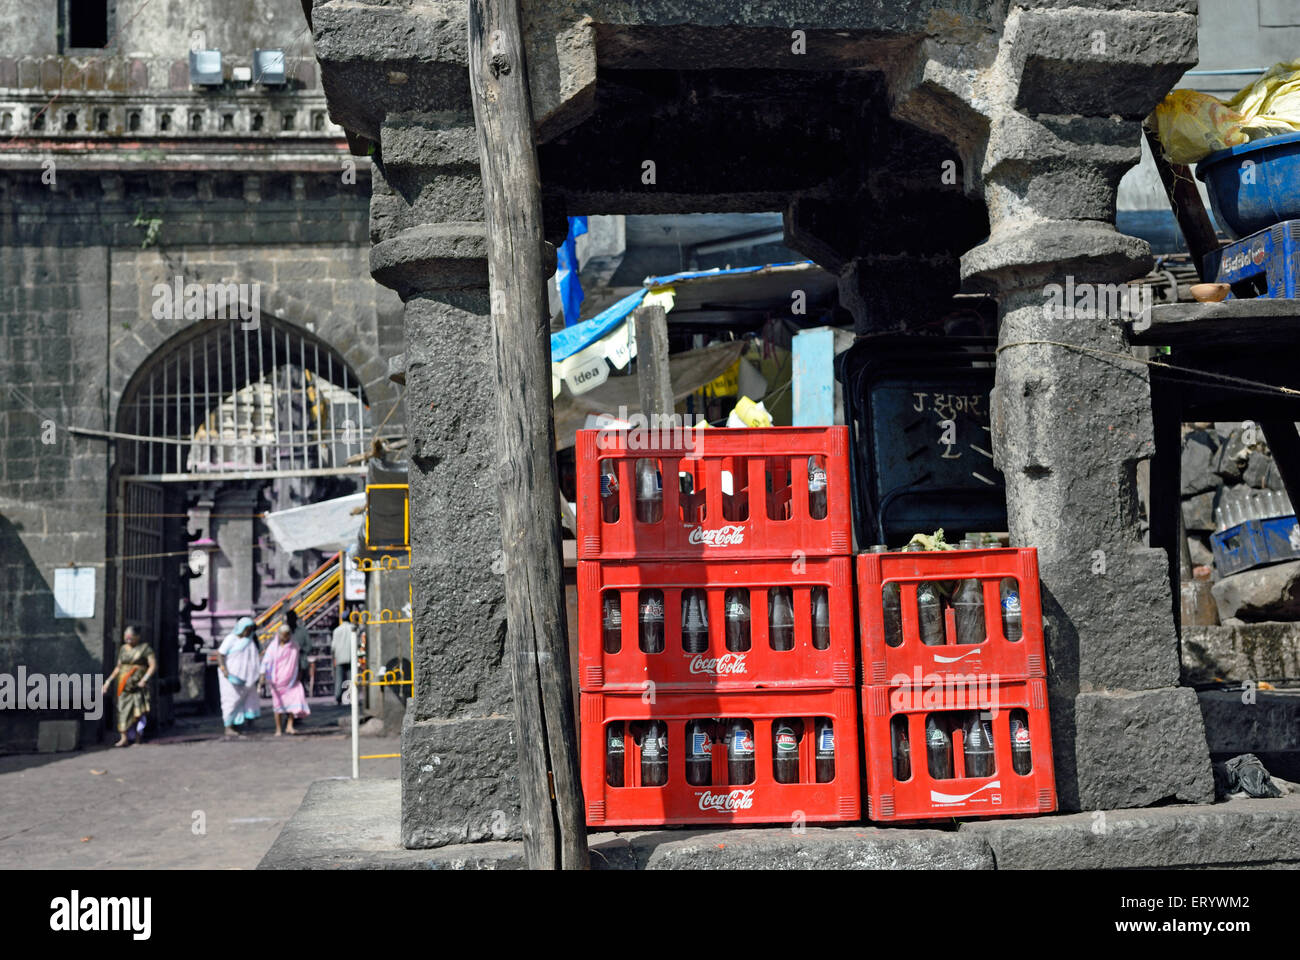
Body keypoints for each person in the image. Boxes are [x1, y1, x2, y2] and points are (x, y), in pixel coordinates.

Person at [101, 626, 156, 747]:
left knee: (138, 711)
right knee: (122, 710)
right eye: (126, 637)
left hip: (138, 685)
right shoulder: (123, 649)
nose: (128, 640)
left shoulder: (145, 649)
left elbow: (152, 666)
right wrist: (108, 682)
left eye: (131, 637)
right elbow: (118, 667)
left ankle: (137, 738)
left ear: (137, 637)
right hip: (123, 684)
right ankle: (124, 738)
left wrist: (144, 679)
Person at [216, 616, 262, 737]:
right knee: (231, 701)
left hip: (248, 679)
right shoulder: (231, 639)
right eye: (247, 629)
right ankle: (228, 726)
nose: (248, 632)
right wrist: (224, 669)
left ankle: (244, 725)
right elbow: (220, 654)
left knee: (248, 701)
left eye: (250, 629)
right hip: (231, 678)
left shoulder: (251, 640)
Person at [262, 623, 310, 735]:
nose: (285, 637)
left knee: (292, 702)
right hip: (277, 681)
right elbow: (266, 663)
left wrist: (299, 673)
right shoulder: (273, 648)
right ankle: (278, 729)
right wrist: (263, 677)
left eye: (287, 635)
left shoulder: (294, 647)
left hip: (291, 680)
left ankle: (289, 726)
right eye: (283, 635)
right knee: (278, 705)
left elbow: (297, 662)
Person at [330, 608, 357, 706]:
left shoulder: (336, 630)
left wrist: (333, 657)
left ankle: (338, 698)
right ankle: (352, 698)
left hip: (339, 657)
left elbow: (333, 647)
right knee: (351, 679)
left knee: (339, 679)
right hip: (351, 657)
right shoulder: (352, 628)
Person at [285, 608, 313, 696]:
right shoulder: (284, 633)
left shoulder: (302, 631)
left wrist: (301, 649)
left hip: (300, 663)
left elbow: (309, 646)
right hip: (286, 664)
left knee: (299, 686)